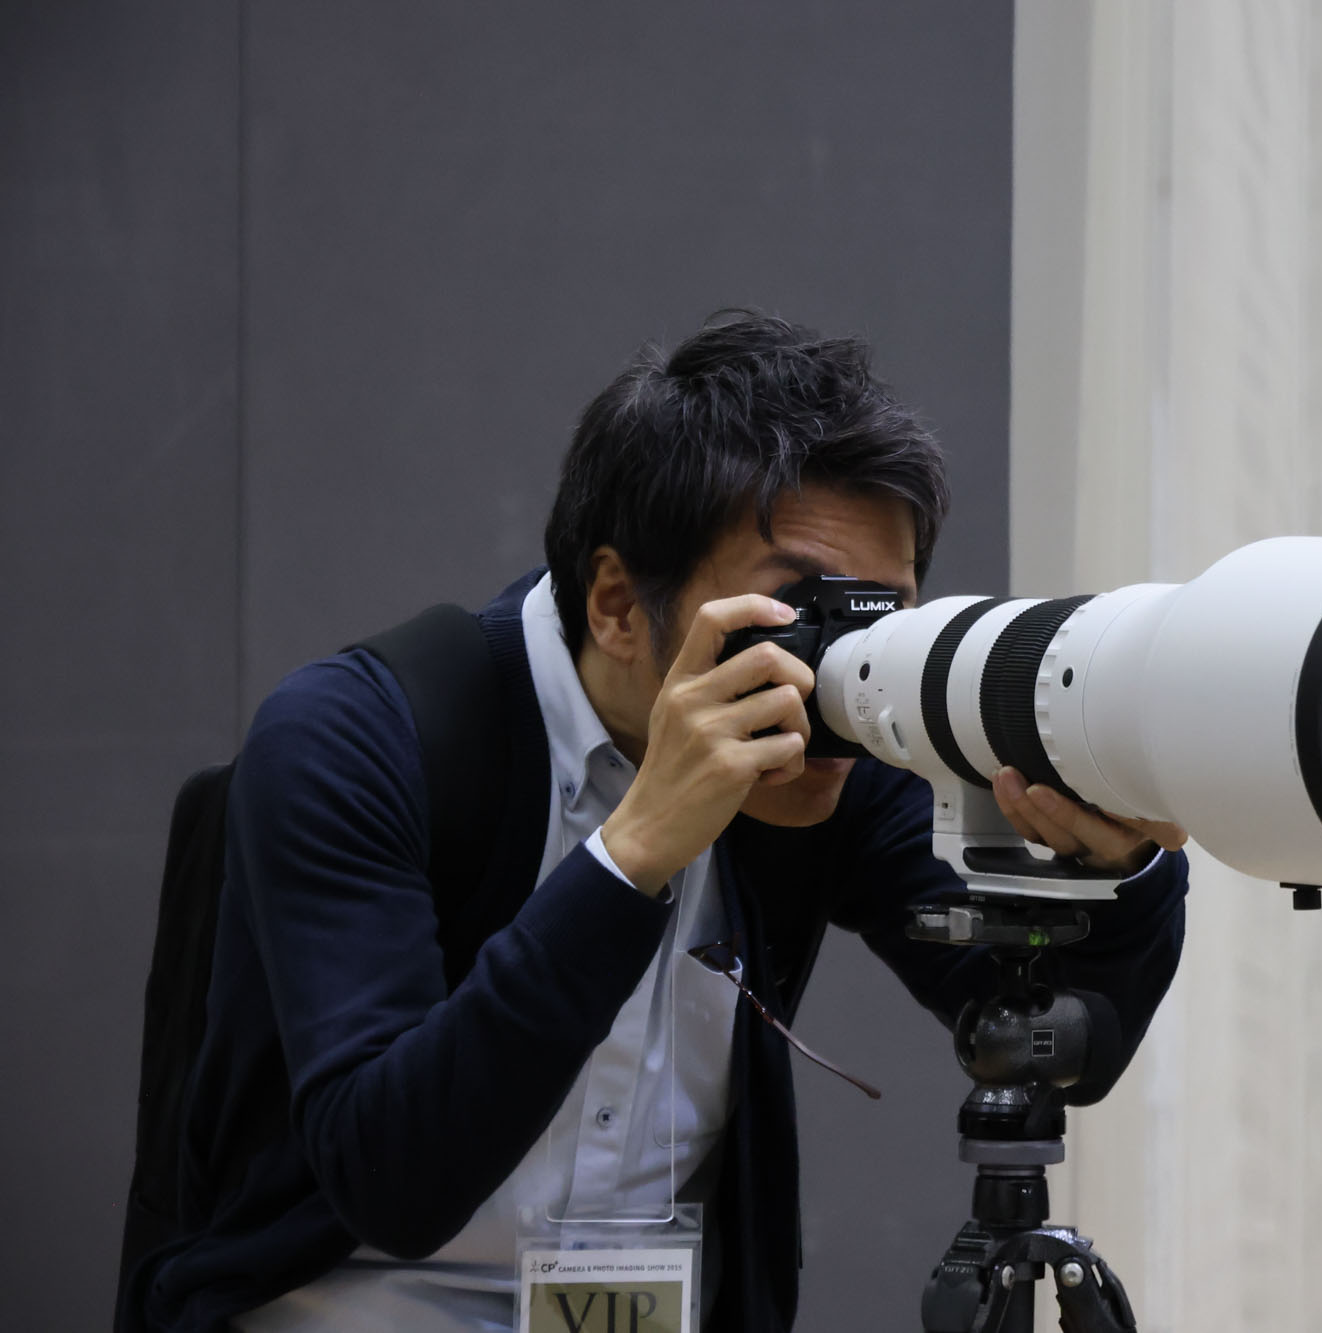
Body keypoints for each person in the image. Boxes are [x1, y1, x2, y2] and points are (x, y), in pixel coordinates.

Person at [124, 313, 1190, 1333]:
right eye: (799, 610)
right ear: (619, 605)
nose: (835, 668)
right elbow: (391, 1177)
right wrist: (629, 856)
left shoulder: (822, 761)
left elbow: (1054, 1043)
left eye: (878, 619)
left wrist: (1124, 872)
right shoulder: (361, 734)